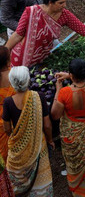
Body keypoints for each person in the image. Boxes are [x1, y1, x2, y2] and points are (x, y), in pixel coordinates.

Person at [51, 58, 85, 196]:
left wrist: (58, 90)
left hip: (74, 134)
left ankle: (78, 185)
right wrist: (69, 75)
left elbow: (55, 115)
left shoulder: (65, 93)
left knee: (76, 162)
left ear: (72, 76)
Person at [2, 66, 53, 196]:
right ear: (28, 81)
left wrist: (18, 137)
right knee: (40, 175)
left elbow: (7, 128)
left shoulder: (8, 102)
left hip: (18, 147)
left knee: (15, 179)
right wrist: (50, 140)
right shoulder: (39, 97)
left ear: (12, 82)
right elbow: (47, 125)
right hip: (38, 144)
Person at [0, 47, 15, 162]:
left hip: (2, 124)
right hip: (16, 116)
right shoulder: (15, 75)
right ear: (7, 61)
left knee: (5, 152)